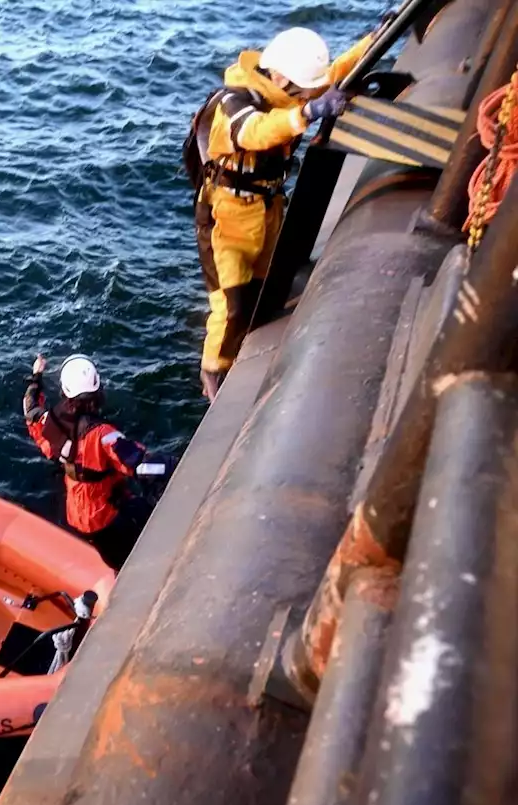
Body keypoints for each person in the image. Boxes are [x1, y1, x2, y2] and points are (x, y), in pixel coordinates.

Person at [190, 26, 374, 401]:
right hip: (228, 215)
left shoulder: (287, 92)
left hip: (267, 204)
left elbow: (333, 74)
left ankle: (252, 337)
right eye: (305, 90)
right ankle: (213, 372)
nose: (311, 94)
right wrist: (309, 112)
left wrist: (375, 38)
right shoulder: (235, 103)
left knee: (264, 282)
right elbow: (254, 132)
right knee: (230, 301)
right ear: (281, 77)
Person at [23, 354, 170, 571]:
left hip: (77, 512)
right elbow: (141, 466)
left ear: (65, 392)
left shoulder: (49, 423)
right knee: (134, 544)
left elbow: (30, 407)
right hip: (104, 514)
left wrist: (37, 375)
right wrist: (173, 465)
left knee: (114, 546)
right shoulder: (103, 435)